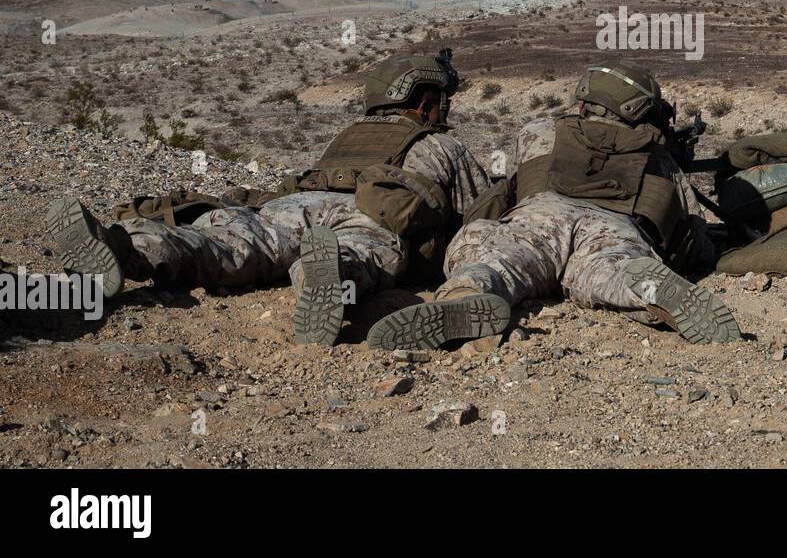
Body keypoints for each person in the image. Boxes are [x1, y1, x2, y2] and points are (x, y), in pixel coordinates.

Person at [47, 50, 493, 346]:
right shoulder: (440, 145)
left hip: (292, 207)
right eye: (439, 99)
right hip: (368, 218)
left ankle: (125, 248)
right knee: (361, 255)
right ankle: (325, 275)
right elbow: (481, 212)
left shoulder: (348, 136)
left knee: (230, 243)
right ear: (421, 100)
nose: (442, 109)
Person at [366, 60, 740, 350]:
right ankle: (643, 286)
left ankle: (470, 291)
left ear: (584, 99)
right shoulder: (659, 159)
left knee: (498, 259)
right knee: (606, 273)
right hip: (617, 228)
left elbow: (508, 190)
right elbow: (693, 231)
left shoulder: (539, 132)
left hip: (540, 218)